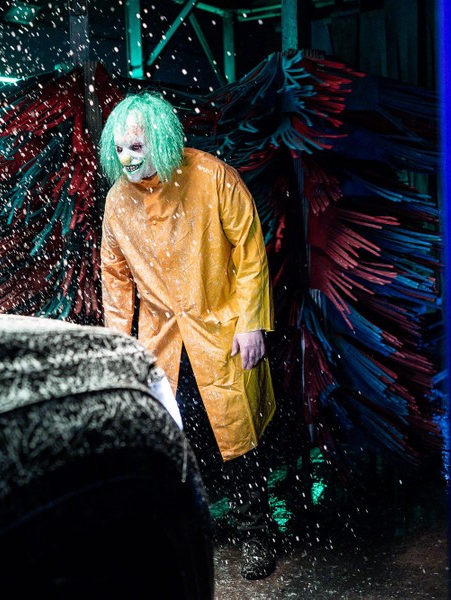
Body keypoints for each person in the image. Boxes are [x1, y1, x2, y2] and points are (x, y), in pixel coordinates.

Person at [98, 92, 277, 580]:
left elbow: (250, 251)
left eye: (136, 147)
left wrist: (251, 322)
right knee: (177, 441)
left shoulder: (212, 176)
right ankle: (187, 535)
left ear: (160, 139)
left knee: (237, 441)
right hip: (161, 343)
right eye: (119, 149)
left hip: (221, 334)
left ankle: (257, 532)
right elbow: (115, 279)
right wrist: (119, 347)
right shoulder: (117, 201)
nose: (126, 159)